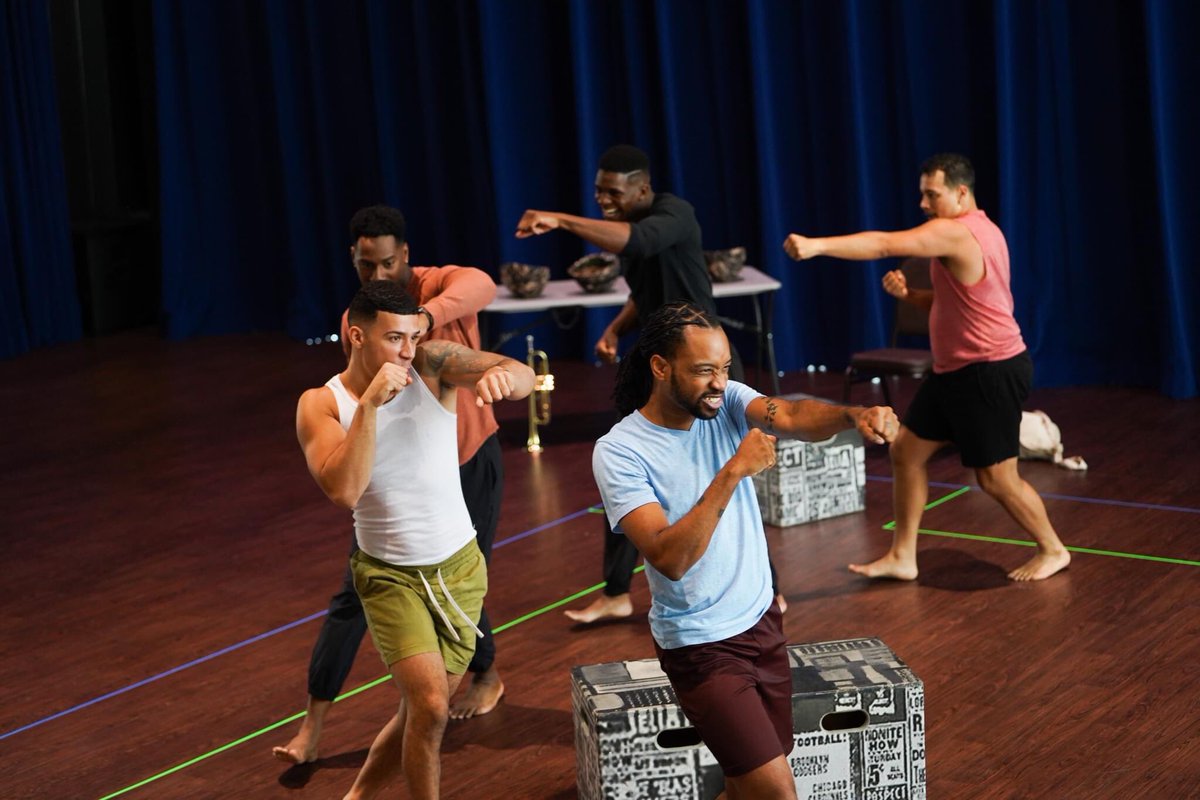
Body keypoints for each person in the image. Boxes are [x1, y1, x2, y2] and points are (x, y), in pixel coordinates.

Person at [592, 302, 897, 799]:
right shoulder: (621, 450)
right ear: (660, 367)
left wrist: (854, 414)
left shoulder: (727, 401)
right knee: (778, 793)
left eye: (726, 368)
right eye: (704, 370)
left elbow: (793, 413)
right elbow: (670, 557)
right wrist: (734, 470)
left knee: (743, 784)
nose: (719, 382)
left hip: (761, 623)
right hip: (701, 646)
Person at [273, 207, 504, 767]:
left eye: (387, 262)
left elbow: (484, 285)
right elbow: (354, 396)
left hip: (468, 460)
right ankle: (314, 724)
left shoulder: (434, 283)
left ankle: (487, 674)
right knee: (355, 596)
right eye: (366, 264)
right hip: (395, 479)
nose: (378, 275)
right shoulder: (364, 319)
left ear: (405, 255)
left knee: (458, 579)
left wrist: (419, 321)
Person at [516, 144, 784, 623]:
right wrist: (616, 329)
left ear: (642, 188)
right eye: (598, 190)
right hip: (661, 367)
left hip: (706, 368)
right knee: (627, 478)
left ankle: (770, 588)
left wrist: (560, 219)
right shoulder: (638, 233)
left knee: (730, 478)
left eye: (613, 191)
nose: (603, 198)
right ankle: (617, 591)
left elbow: (635, 241)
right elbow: (645, 294)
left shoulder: (674, 214)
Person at [294, 279, 534, 800]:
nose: (407, 349)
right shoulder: (322, 404)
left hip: (461, 571)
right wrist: (372, 409)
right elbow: (345, 489)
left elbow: (521, 374)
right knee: (429, 707)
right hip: (388, 576)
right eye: (393, 339)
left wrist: (502, 380)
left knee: (420, 714)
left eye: (410, 336)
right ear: (356, 336)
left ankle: (357, 797)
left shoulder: (432, 362)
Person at [782, 152, 1071, 582]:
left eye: (931, 194)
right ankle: (903, 556)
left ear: (960, 192)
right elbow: (963, 303)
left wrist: (817, 245)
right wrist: (912, 297)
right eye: (922, 194)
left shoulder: (957, 233)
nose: (923, 203)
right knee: (906, 451)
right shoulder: (983, 231)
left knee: (995, 479)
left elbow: (883, 244)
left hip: (989, 371)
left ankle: (1053, 549)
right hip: (954, 371)